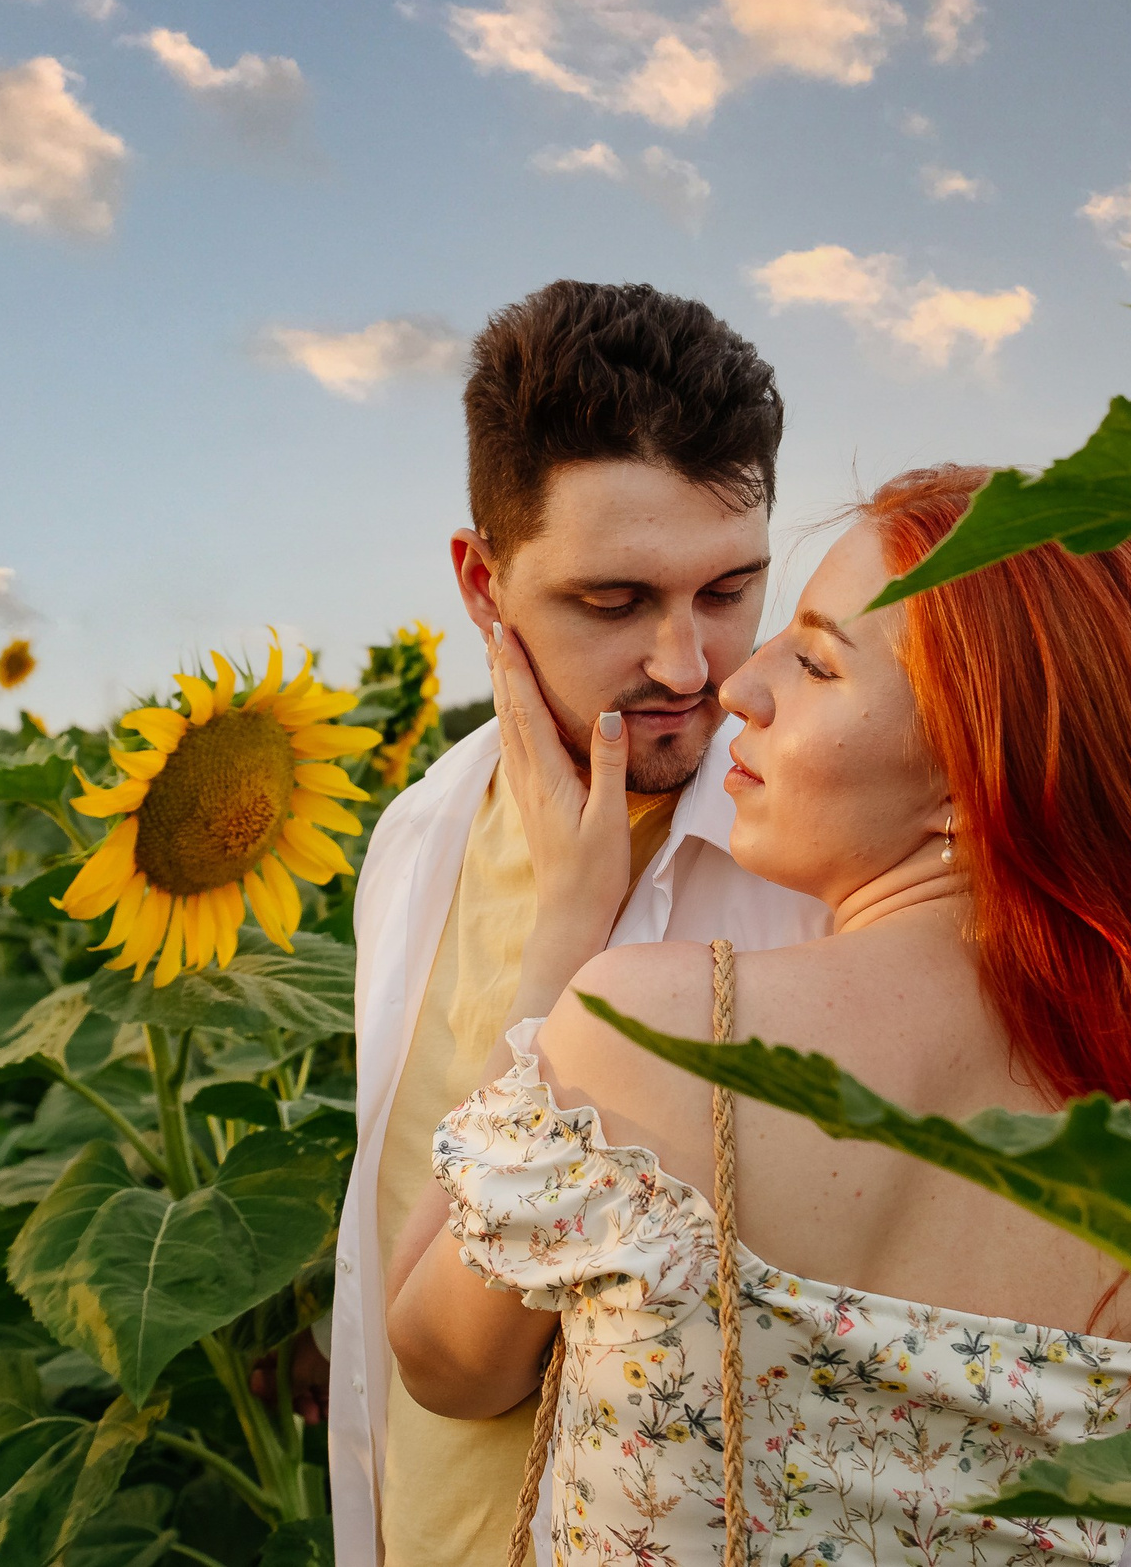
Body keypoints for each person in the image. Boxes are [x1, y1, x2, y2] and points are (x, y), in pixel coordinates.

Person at [388, 466, 1131, 1565]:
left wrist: (562, 935)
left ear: (975, 774)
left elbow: (445, 1362)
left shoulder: (665, 1029)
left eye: (817, 661)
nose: (739, 685)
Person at [330, 281, 833, 1567]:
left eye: (731, 591)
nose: (689, 666)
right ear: (481, 583)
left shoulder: (824, 867)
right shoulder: (419, 837)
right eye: (612, 603)